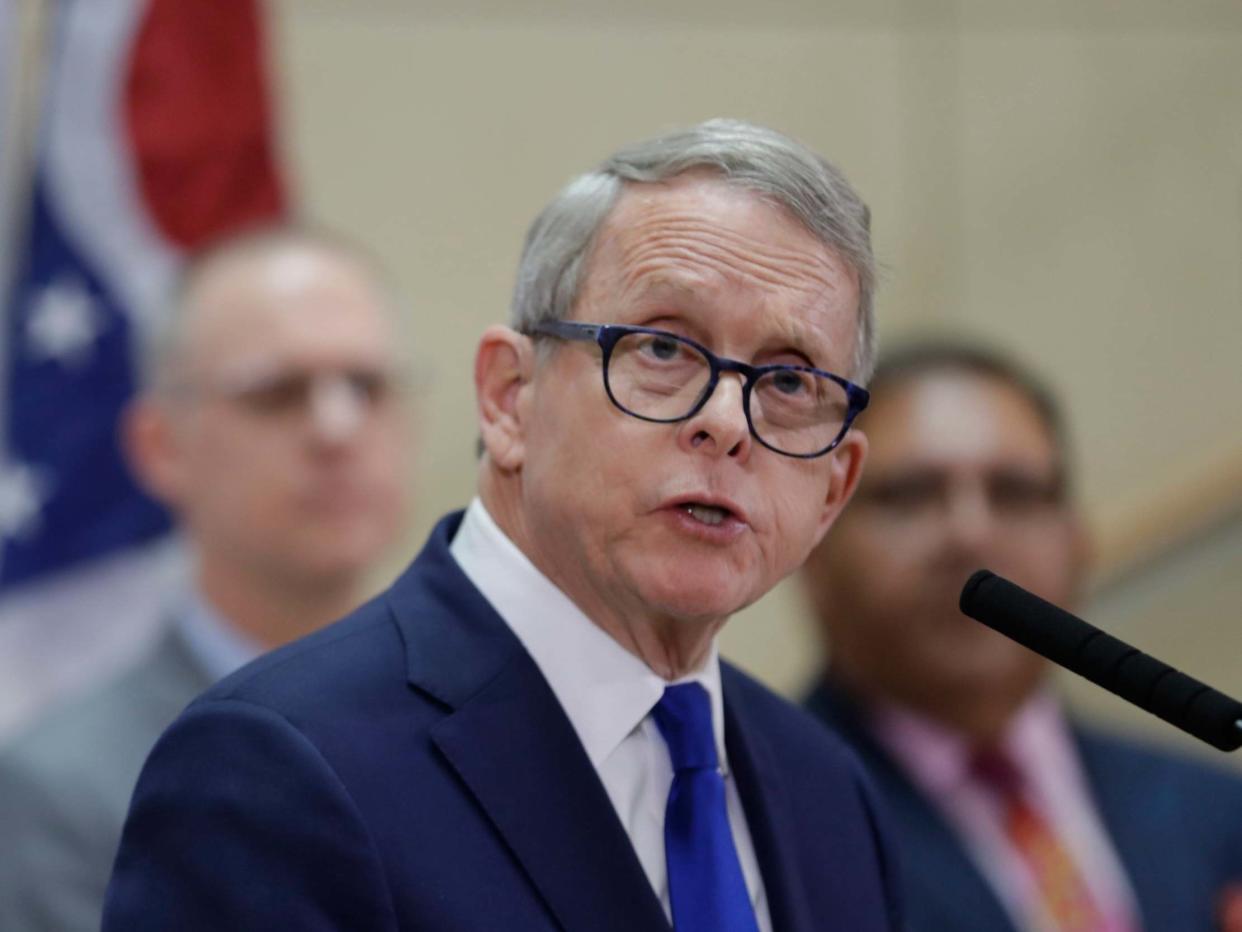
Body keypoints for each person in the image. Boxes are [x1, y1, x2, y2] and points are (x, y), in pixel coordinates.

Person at [101, 119, 902, 931]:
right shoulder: (276, 767)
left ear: (834, 488)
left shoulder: (830, 793)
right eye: (663, 348)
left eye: (792, 382)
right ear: (510, 399)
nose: (727, 421)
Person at [0, 226, 416, 932]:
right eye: (277, 393)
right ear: (162, 447)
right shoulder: (64, 789)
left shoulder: (496, 732)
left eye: (366, 386)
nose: (337, 428)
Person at [800, 338, 1242, 932]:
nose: (970, 533)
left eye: (1013, 492)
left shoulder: (1214, 808)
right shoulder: (761, 822)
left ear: (1078, 542)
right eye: (910, 494)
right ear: (813, 544)